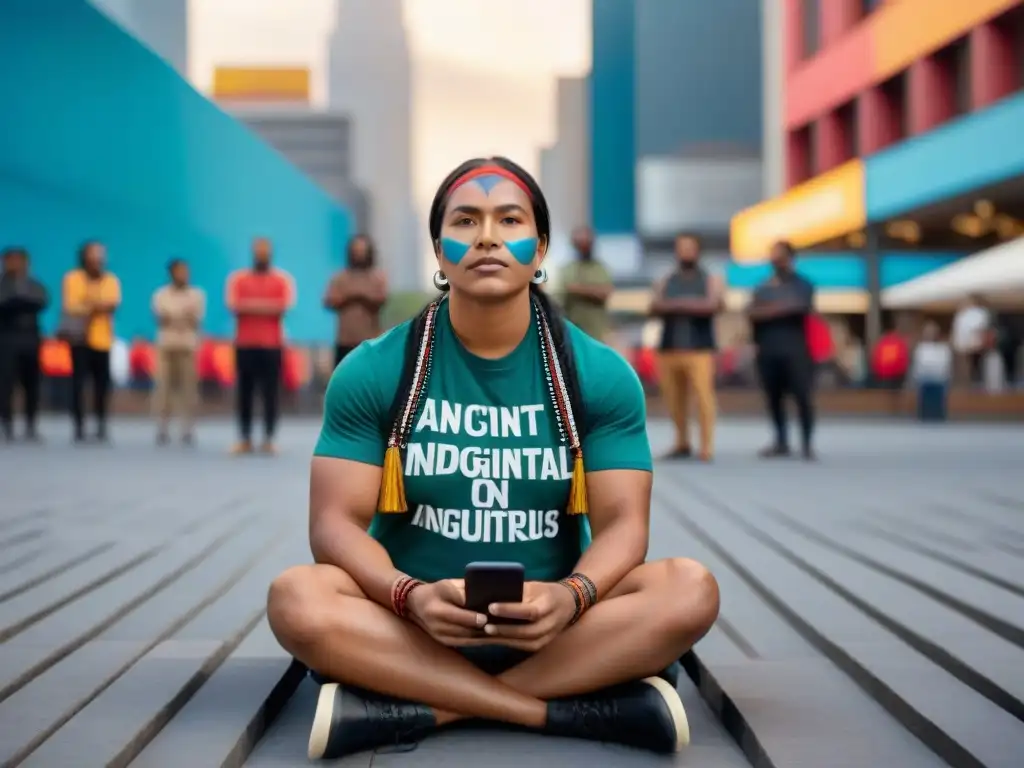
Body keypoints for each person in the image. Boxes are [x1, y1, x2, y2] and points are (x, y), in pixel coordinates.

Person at [266, 157, 719, 760]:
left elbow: (625, 527)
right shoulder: (374, 370)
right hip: (408, 625)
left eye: (509, 220)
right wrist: (408, 596)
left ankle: (417, 707)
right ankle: (556, 712)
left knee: (690, 588)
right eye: (466, 220)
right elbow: (332, 526)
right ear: (438, 249)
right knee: (297, 598)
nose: (487, 237)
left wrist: (573, 596)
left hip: (556, 627)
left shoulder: (600, 376)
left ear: (541, 249)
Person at [649, 233, 724, 461]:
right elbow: (654, 305)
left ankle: (706, 446)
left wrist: (675, 304)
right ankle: (682, 442)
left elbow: (713, 305)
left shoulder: (710, 279)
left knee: (703, 397)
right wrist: (690, 304)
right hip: (669, 347)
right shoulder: (667, 279)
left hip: (699, 348)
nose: (685, 252)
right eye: (681, 248)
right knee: (673, 399)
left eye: (690, 248)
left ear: (698, 251)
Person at [226, 238, 296, 455]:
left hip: (272, 344)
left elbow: (284, 307)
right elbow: (233, 305)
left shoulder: (282, 279)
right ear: (253, 254)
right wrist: (267, 307)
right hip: (244, 343)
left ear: (271, 254)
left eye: (265, 251)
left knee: (271, 393)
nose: (261, 255)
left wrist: (250, 306)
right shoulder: (238, 279)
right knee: (244, 393)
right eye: (258, 251)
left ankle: (269, 438)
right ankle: (245, 438)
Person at [747, 240, 816, 460]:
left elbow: (800, 306)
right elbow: (751, 313)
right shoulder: (763, 286)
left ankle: (807, 443)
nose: (776, 260)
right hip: (768, 350)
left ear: (790, 258)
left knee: (802, 397)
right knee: (773, 397)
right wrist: (779, 308)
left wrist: (768, 309)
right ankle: (781, 441)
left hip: (796, 350)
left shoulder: (802, 284)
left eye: (780, 256)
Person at [61, 241, 121, 443]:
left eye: (100, 254)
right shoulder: (72, 278)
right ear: (84, 256)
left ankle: (101, 424)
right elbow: (72, 306)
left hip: (102, 339)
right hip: (79, 338)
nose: (98, 258)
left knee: (102, 384)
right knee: (78, 383)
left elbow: (112, 303)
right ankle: (78, 425)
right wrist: (97, 305)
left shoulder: (110, 279)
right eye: (93, 254)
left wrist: (89, 304)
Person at [152, 258, 206, 445]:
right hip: (166, 346)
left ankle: (188, 428)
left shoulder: (197, 295)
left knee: (189, 390)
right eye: (179, 271)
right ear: (171, 273)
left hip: (188, 347)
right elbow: (161, 318)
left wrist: (175, 316)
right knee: (163, 389)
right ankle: (162, 427)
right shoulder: (160, 294)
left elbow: (195, 319)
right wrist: (183, 315)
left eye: (186, 271)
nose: (183, 274)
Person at [0, 247, 49, 442]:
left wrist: (15, 303)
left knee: (32, 384)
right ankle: (7, 425)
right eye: (11, 260)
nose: (15, 264)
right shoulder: (2, 284)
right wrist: (19, 303)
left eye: (19, 260)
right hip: (6, 339)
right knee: (6, 384)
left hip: (31, 339)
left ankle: (31, 425)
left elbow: (41, 301)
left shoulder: (34, 285)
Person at [323, 234, 389, 367]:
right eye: (356, 251)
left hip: (370, 342)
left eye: (362, 251)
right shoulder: (340, 278)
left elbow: (381, 301)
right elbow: (329, 301)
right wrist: (350, 298)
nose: (358, 255)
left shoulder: (377, 278)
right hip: (345, 342)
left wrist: (361, 298)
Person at [558, 226, 613, 341]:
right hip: (572, 333)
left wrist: (578, 289)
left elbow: (605, 293)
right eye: (580, 243)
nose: (584, 247)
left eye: (587, 243)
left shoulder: (599, 268)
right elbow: (560, 294)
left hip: (595, 335)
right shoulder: (568, 268)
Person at [908, 321, 952, 422]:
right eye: (928, 332)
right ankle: (924, 415)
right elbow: (917, 367)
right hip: (924, 381)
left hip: (939, 381)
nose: (930, 334)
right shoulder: (920, 348)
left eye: (932, 332)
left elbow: (945, 367)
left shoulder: (943, 349)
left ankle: (938, 416)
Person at [951, 295, 990, 386]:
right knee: (963, 370)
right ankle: (966, 384)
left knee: (975, 369)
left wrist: (977, 343)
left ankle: (975, 384)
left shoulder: (979, 313)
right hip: (962, 346)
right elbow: (957, 331)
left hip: (974, 346)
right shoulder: (961, 314)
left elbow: (980, 329)